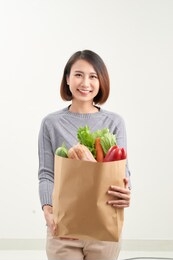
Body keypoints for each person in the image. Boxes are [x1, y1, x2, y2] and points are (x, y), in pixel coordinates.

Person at [38, 49, 131, 260]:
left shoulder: (114, 122)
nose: (85, 83)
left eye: (93, 76)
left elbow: (122, 171)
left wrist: (126, 190)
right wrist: (48, 210)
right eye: (78, 75)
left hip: (103, 226)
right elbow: (46, 174)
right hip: (64, 227)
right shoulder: (51, 123)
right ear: (67, 79)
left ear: (101, 82)